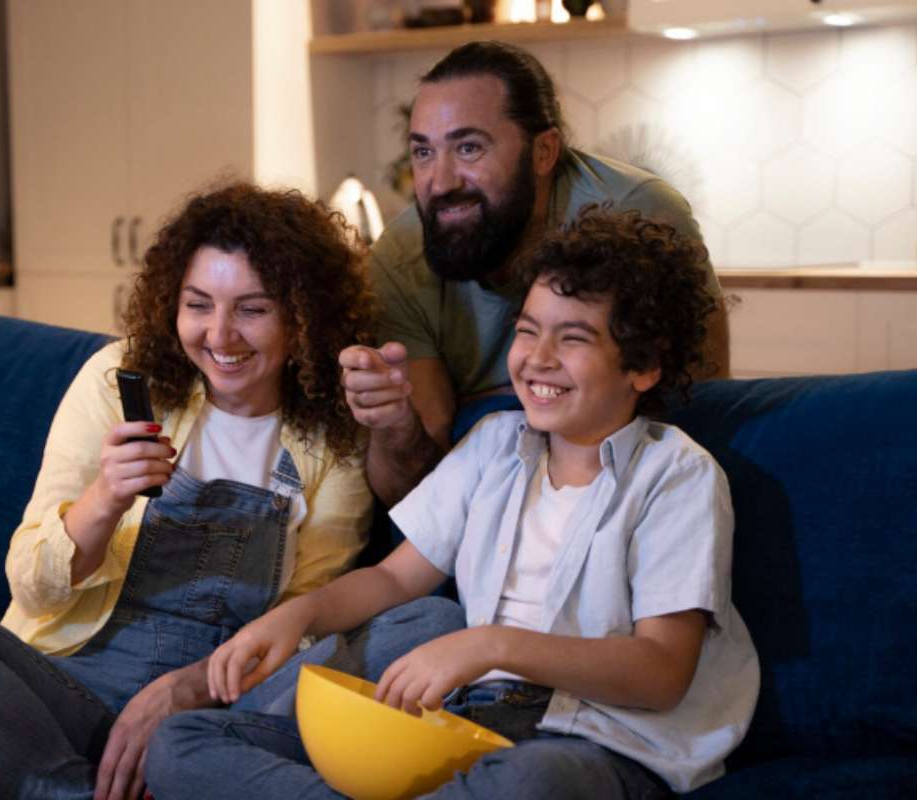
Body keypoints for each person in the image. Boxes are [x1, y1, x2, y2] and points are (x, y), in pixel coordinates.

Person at [145, 207, 760, 799]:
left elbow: (660, 672)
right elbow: (393, 577)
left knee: (532, 782)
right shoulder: (494, 444)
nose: (538, 359)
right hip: (467, 730)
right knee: (182, 743)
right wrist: (295, 618)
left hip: (596, 746)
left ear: (644, 365)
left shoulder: (676, 475)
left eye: (572, 339)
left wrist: (489, 645)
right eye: (527, 330)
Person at [0, 183, 380, 800]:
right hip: (65, 691)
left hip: (213, 708)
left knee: (392, 636)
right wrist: (104, 500)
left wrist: (185, 691)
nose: (220, 336)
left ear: (303, 316)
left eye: (252, 310)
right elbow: (29, 585)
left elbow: (303, 624)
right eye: (198, 304)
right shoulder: (115, 381)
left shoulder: (332, 433)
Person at [340, 41, 731, 507]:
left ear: (544, 152)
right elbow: (419, 498)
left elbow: (704, 408)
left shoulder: (641, 215)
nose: (440, 182)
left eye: (468, 148)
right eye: (423, 152)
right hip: (482, 509)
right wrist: (395, 427)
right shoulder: (400, 257)